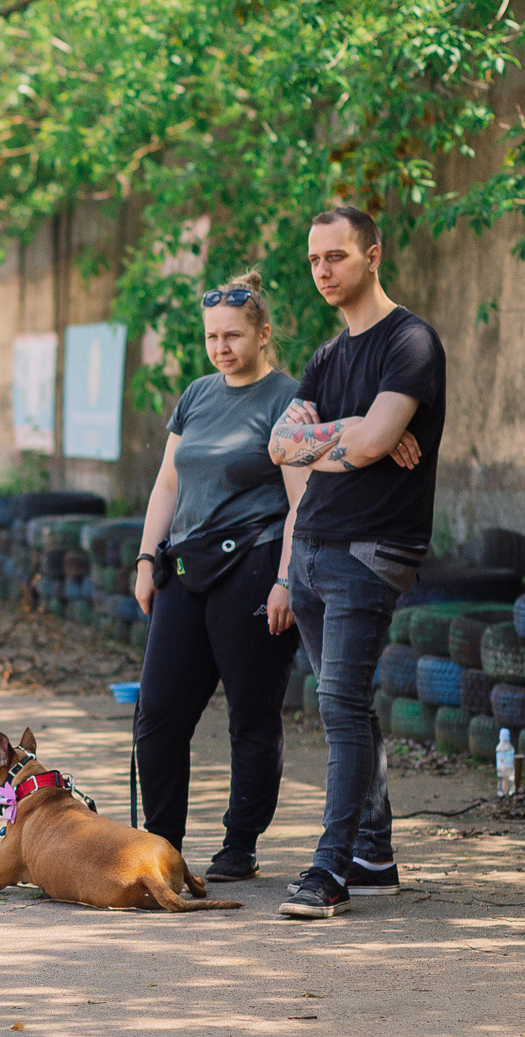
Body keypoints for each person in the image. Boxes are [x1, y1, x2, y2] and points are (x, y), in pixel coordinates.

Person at [268, 204, 441, 920]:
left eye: (335, 256)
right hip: (311, 547)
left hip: (371, 551)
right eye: (314, 260)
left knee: (339, 708)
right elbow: (280, 445)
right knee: (346, 707)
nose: (323, 270)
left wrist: (348, 438)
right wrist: (359, 431)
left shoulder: (411, 343)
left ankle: (330, 870)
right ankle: (373, 854)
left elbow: (364, 445)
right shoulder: (326, 356)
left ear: (373, 255)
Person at [131, 271, 304, 882]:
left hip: (255, 566)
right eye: (211, 336)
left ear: (263, 334)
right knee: (158, 712)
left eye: (233, 335)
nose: (221, 347)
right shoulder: (197, 395)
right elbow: (167, 484)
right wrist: (146, 559)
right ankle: (162, 845)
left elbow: (301, 501)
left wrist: (286, 580)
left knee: (251, 713)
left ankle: (240, 844)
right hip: (185, 566)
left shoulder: (289, 400)